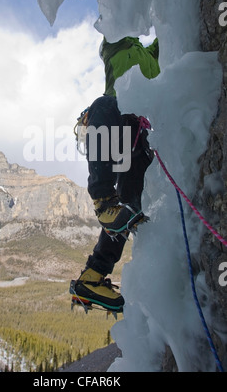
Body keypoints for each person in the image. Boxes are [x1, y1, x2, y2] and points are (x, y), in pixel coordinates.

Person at [70, 35, 160, 313]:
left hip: (140, 138)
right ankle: (102, 199)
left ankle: (93, 275)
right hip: (113, 124)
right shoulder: (115, 46)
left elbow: (166, 41)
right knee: (105, 103)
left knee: (129, 210)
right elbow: (113, 29)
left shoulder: (149, 54)